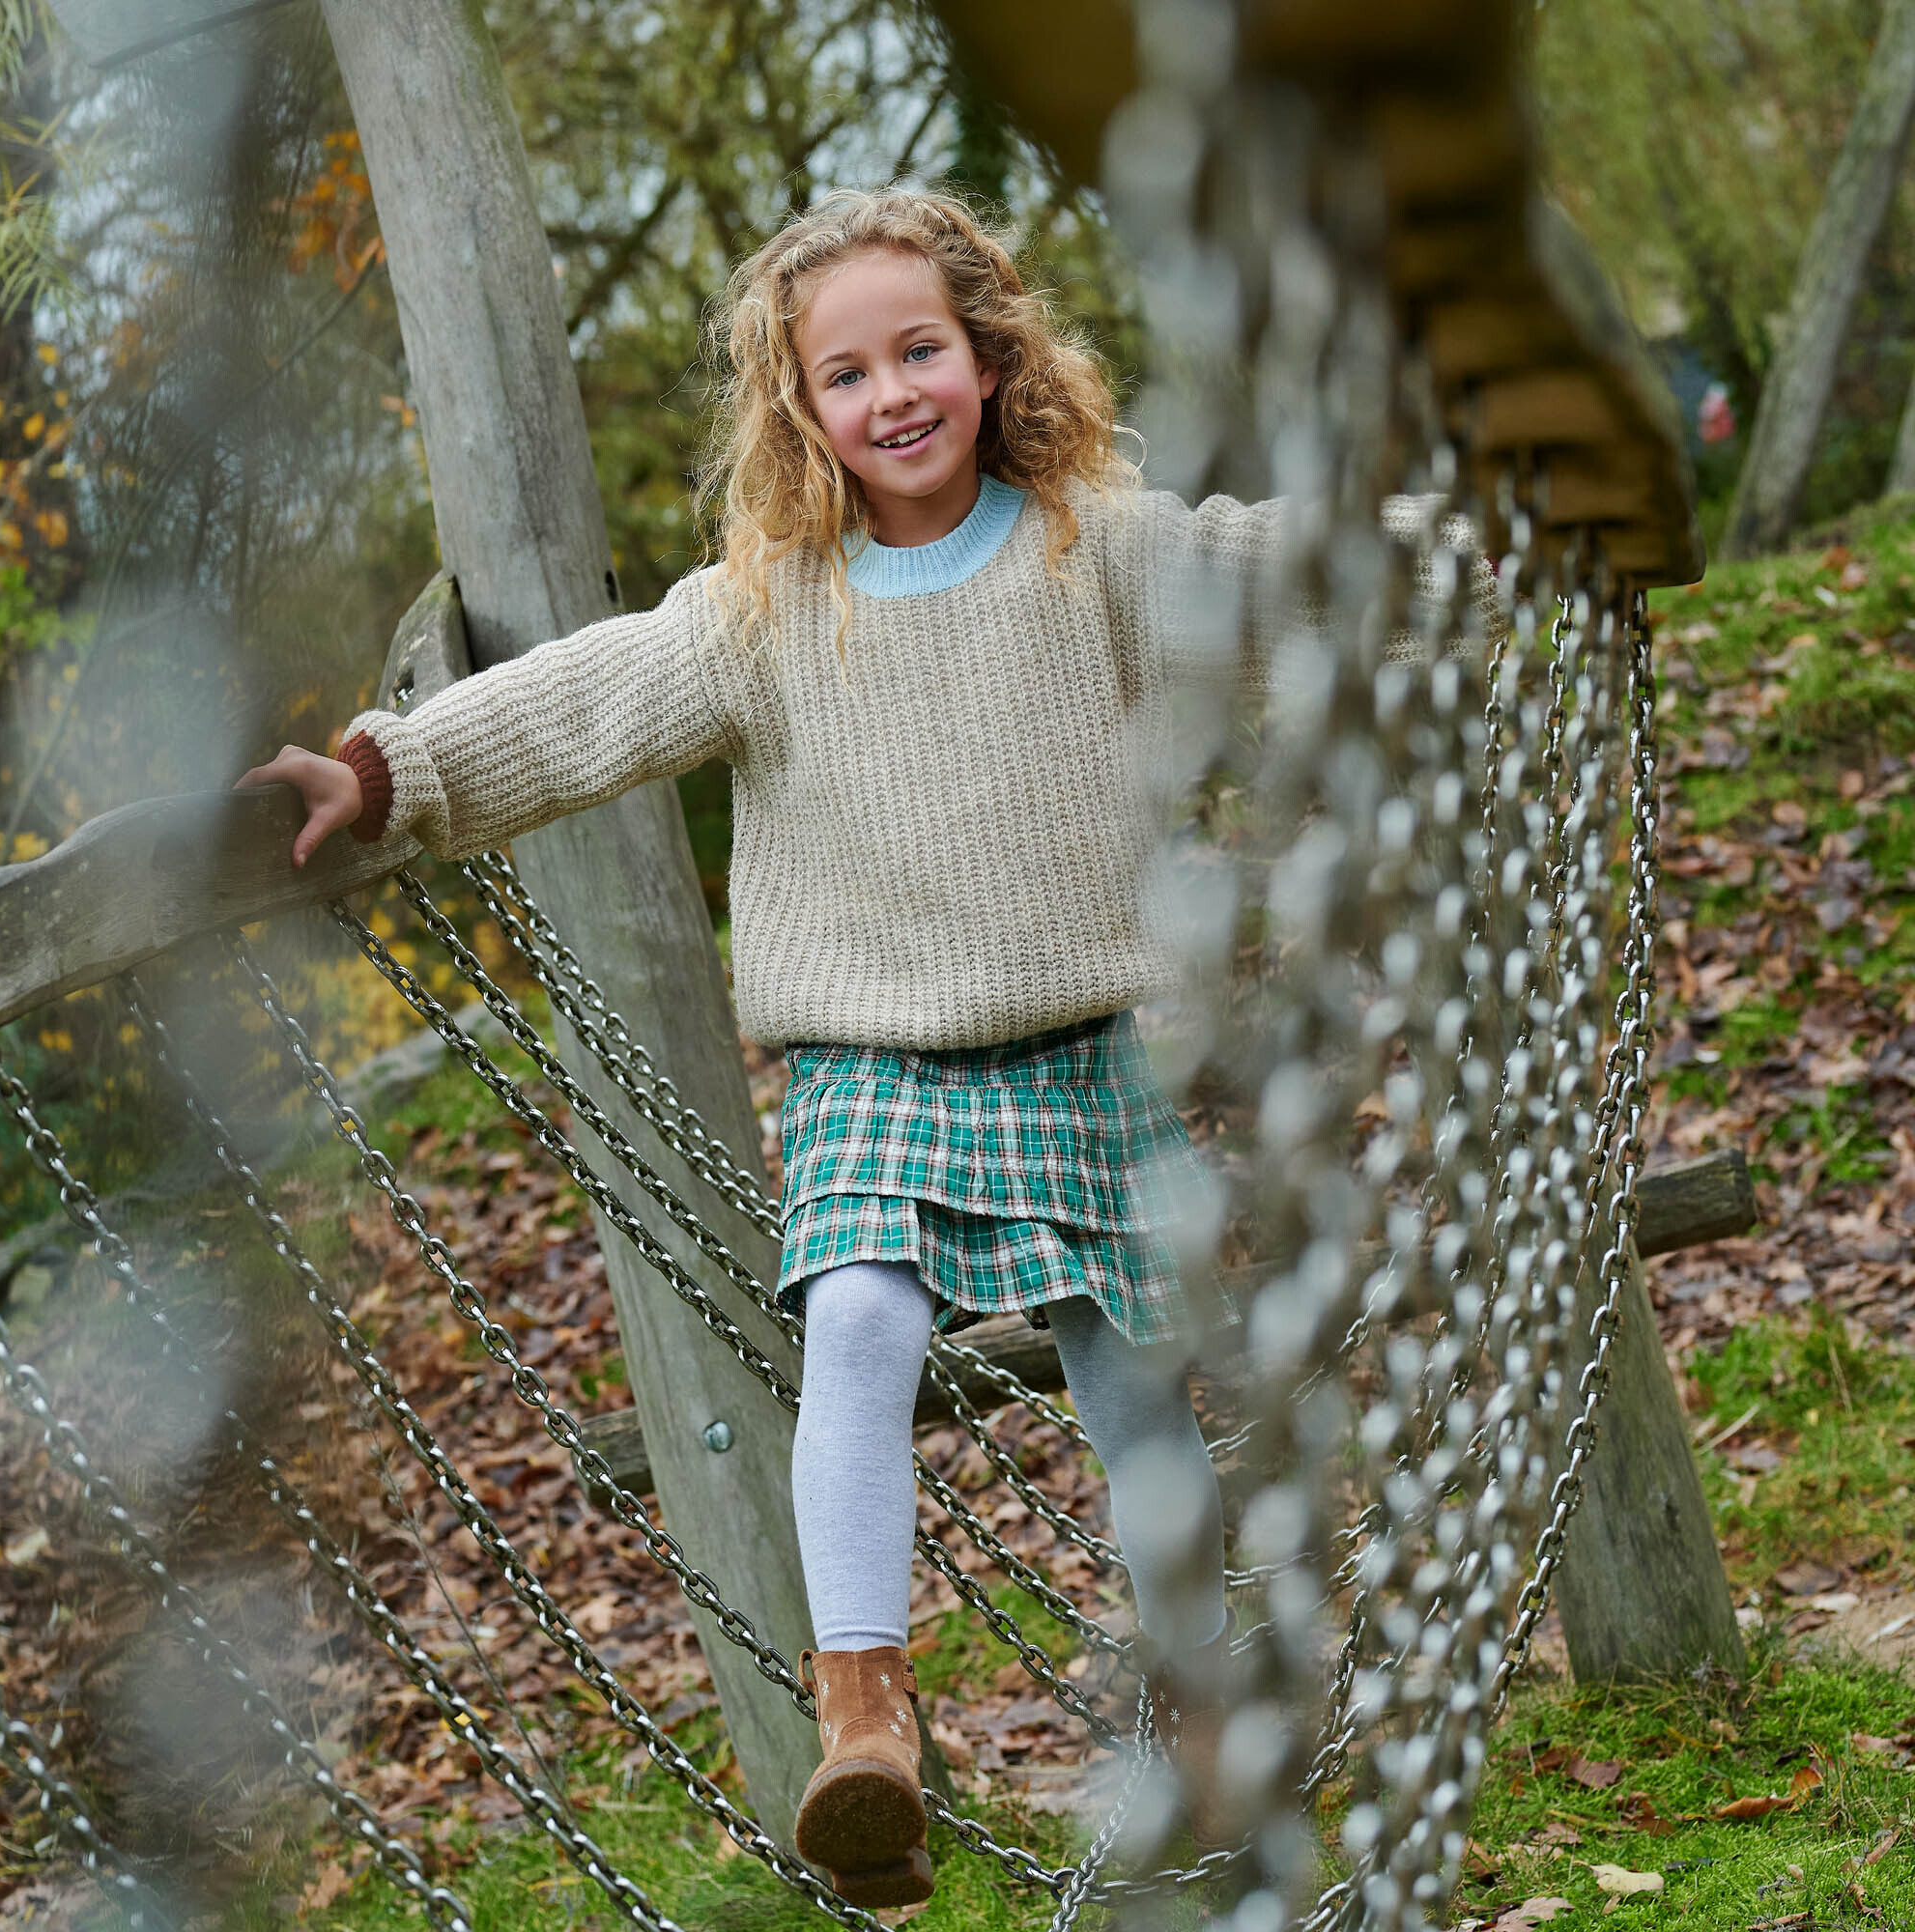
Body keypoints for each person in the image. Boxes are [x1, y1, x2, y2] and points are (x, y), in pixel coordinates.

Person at [239, 186, 1346, 1908]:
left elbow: (1289, 572)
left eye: (921, 351)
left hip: (1081, 1045)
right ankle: (866, 1718)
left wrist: (1531, 541)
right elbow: (581, 701)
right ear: (799, 410)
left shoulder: (1100, 551)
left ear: (989, 357)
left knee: (1139, 1381)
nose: (892, 394)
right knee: (859, 1326)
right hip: (871, 1063)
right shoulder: (766, 611)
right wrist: (385, 771)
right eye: (847, 373)